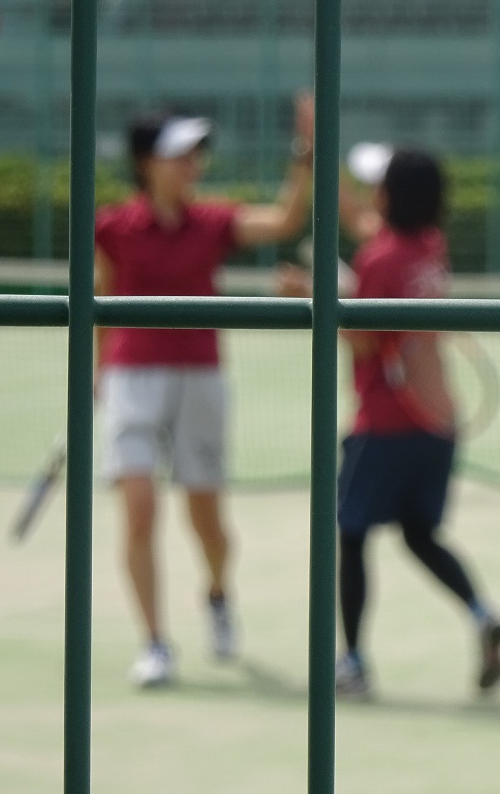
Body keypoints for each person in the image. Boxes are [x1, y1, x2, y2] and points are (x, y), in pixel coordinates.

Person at [94, 96, 314, 688]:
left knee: (208, 522)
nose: (193, 163)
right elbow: (101, 301)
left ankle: (217, 594)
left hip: (200, 376)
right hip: (131, 375)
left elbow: (285, 220)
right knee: (139, 512)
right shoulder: (112, 227)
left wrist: (306, 152)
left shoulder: (213, 222)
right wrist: (96, 373)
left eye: (196, 153)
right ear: (146, 163)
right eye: (179, 154)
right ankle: (154, 642)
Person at [323, 145, 500, 700]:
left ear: (389, 196)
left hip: (385, 424)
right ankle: (482, 615)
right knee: (419, 534)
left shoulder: (378, 260)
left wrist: (314, 298)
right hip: (437, 424)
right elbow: (362, 225)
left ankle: (353, 663)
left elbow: (363, 342)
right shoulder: (431, 247)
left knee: (352, 536)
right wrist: (319, 162)